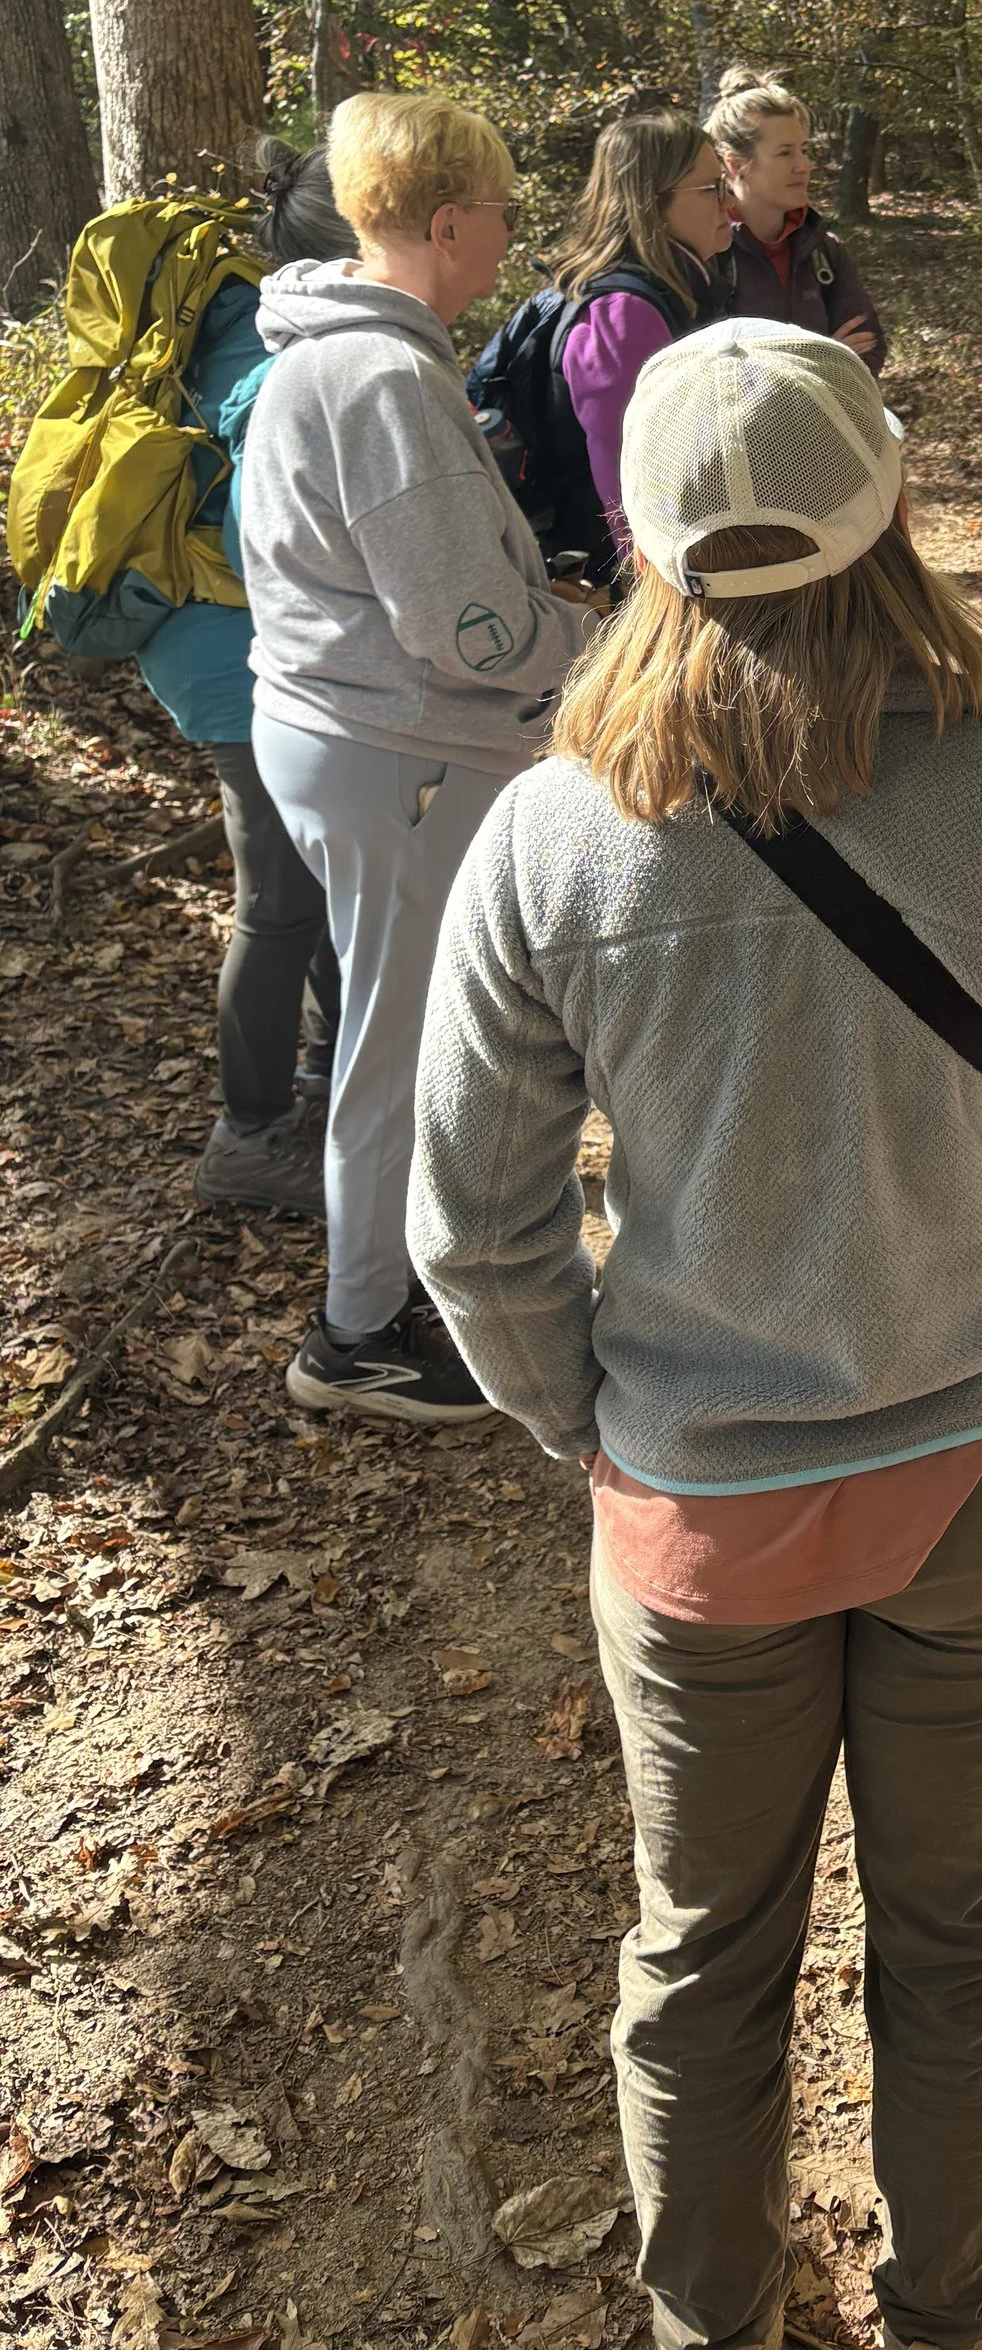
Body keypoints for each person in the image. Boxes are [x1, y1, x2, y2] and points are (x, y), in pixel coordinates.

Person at [406, 318, 982, 2350]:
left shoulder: (552, 845)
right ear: (895, 512)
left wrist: (586, 1421)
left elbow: (471, 1232)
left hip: (697, 1504)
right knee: (957, 1935)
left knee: (702, 1955)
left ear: (643, 540)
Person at [238, 91, 594, 1426]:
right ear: (448, 225)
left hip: (356, 732)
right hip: (402, 748)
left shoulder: (333, 352)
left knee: (404, 1024)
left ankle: (404, 1280)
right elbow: (473, 629)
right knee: (406, 1036)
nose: (508, 244)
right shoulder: (382, 375)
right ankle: (360, 1332)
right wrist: (589, 639)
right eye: (500, 219)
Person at [141, 142, 348, 1220]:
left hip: (214, 638)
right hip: (234, 656)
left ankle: (313, 1083)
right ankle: (249, 1140)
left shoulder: (240, 326)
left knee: (307, 890)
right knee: (278, 904)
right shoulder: (274, 362)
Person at [551, 100, 735, 578]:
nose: (730, 202)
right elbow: (627, 495)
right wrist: (661, 602)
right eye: (713, 187)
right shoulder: (622, 317)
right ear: (653, 202)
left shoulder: (672, 292)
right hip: (616, 586)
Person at [707, 65, 889, 363]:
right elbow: (698, 374)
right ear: (735, 165)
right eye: (785, 153)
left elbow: (869, 350)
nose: (803, 165)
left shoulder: (823, 250)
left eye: (803, 150)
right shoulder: (707, 254)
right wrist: (825, 356)